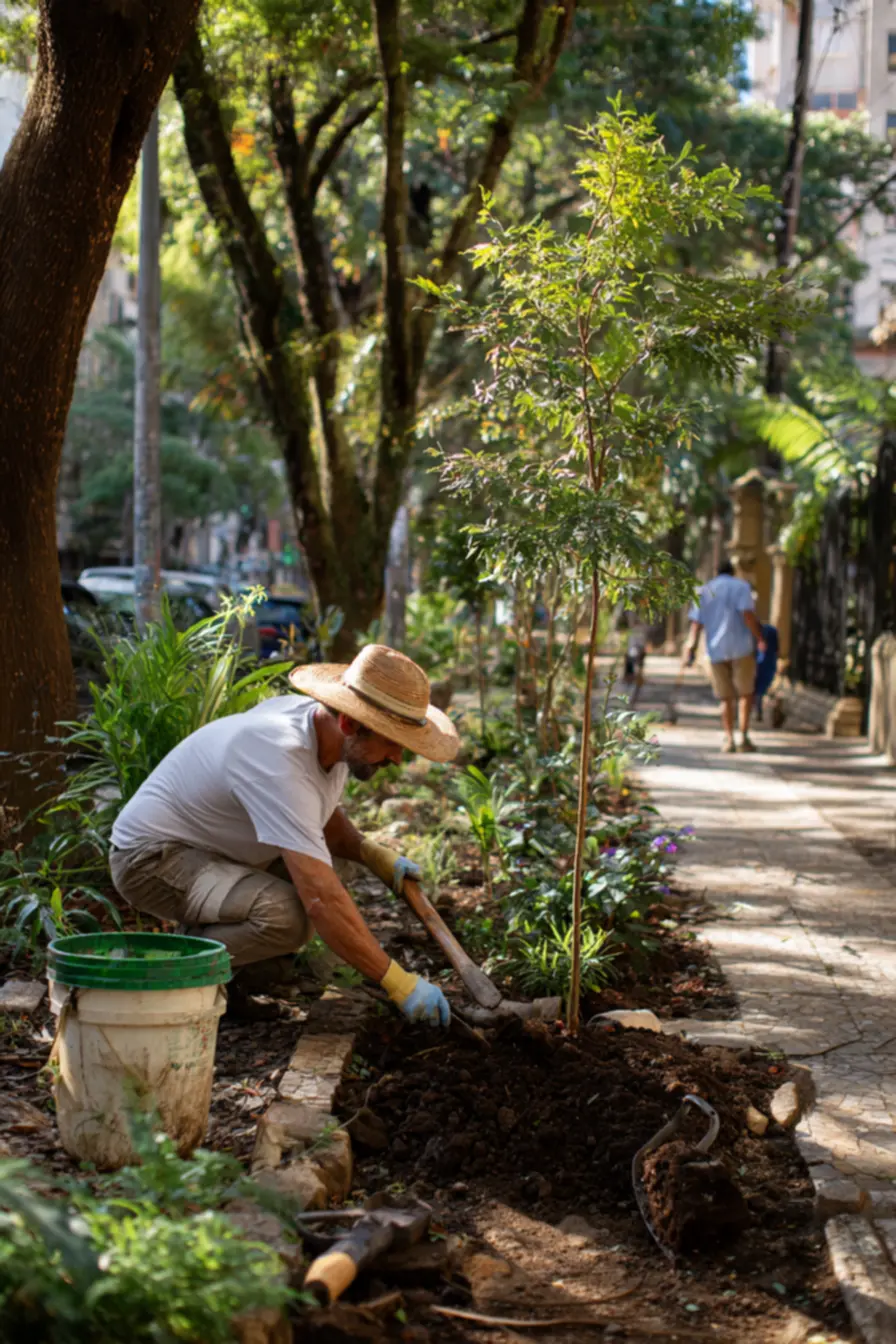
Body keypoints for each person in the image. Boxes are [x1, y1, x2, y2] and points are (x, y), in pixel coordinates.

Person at [109, 645, 459, 1025]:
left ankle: (221, 982)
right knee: (288, 917)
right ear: (349, 723)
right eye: (391, 742)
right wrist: (397, 981)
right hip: (152, 859)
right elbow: (321, 900)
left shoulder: (327, 736)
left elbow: (317, 813)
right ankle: (159, 980)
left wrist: (368, 852)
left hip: (216, 850)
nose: (397, 759)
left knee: (338, 868)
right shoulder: (278, 757)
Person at [685, 561, 767, 753]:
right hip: (742, 648)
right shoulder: (742, 587)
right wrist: (760, 637)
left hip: (716, 649)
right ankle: (743, 738)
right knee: (746, 693)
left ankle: (729, 738)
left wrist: (691, 646)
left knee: (725, 697)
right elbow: (747, 615)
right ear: (733, 572)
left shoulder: (704, 590)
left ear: (715, 571)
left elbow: (696, 623)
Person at [754, 622, 779, 723]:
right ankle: (758, 710)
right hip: (769, 663)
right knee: (762, 689)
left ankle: (758, 710)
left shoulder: (764, 633)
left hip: (760, 663)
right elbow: (777, 648)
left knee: (757, 689)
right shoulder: (772, 631)